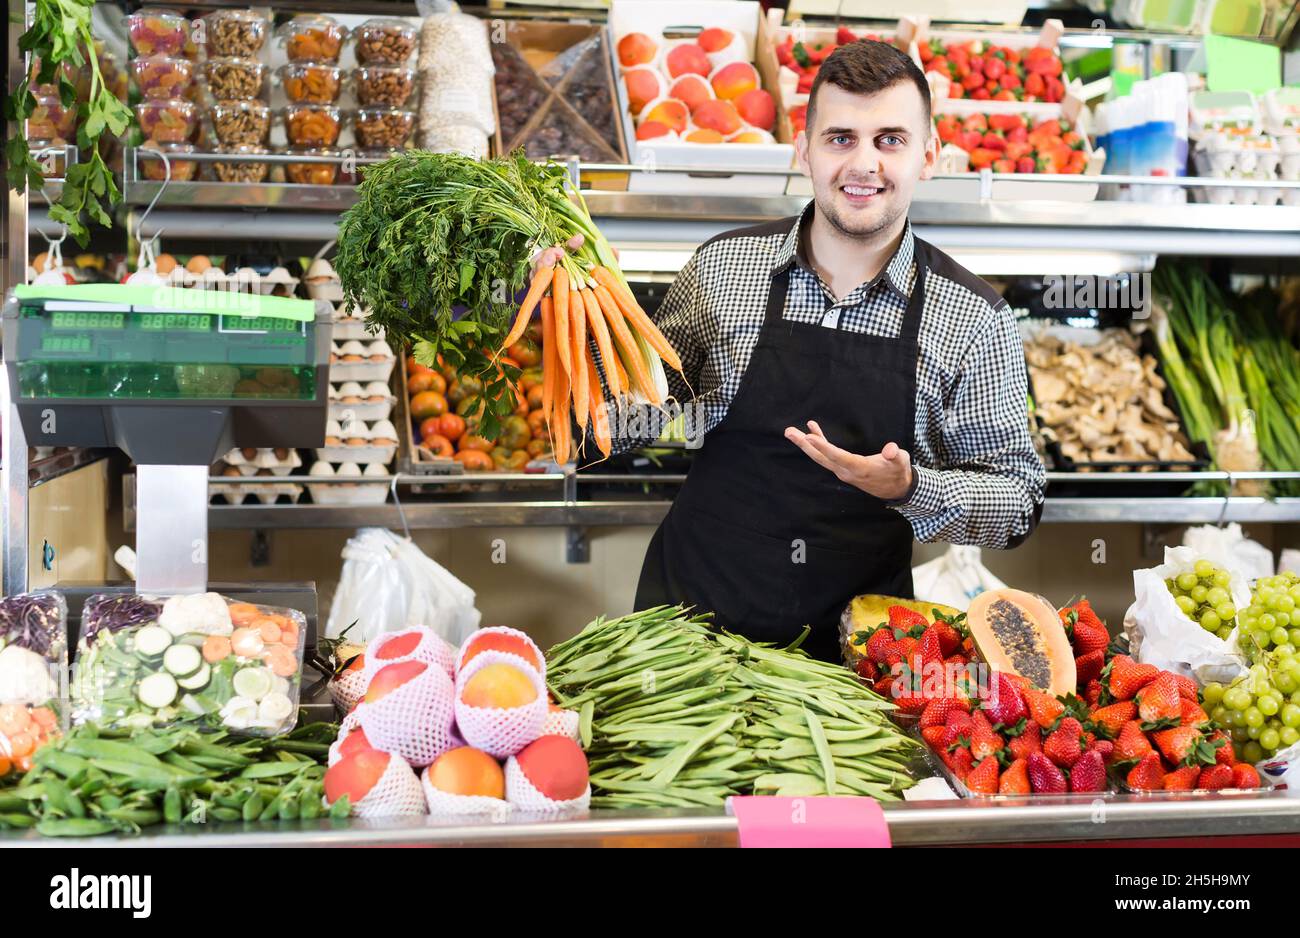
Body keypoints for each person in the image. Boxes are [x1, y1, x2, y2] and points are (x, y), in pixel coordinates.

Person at [539, 40, 1046, 662]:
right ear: (803, 151)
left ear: (928, 156)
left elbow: (1017, 504)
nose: (864, 163)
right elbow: (631, 424)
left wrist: (911, 487)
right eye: (840, 139)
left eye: (890, 139)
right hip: (687, 633)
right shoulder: (723, 269)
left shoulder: (974, 318)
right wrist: (586, 321)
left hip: (853, 664)